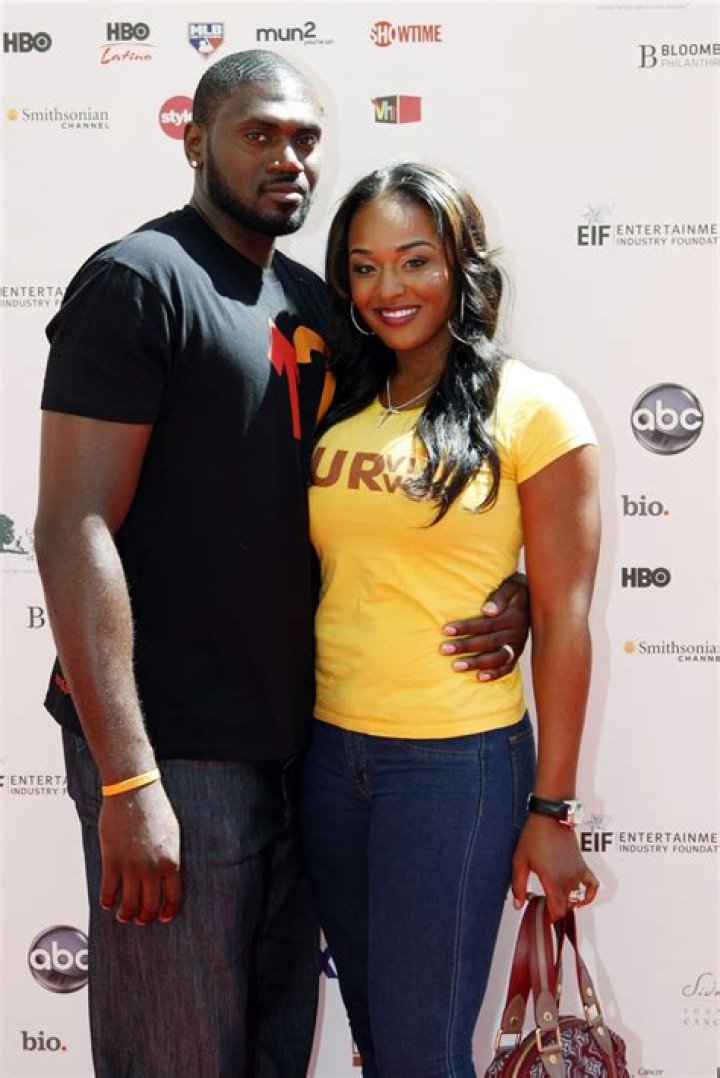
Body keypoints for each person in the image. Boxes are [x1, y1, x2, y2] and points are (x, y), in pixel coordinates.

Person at [33, 53, 530, 1077]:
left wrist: (513, 585)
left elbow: (391, 485)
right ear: (194, 140)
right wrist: (128, 777)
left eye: (304, 138)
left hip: (301, 754)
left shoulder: (314, 304)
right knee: (174, 1057)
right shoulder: (140, 282)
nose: (288, 157)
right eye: (259, 133)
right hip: (176, 757)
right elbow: (71, 526)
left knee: (270, 1052)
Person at [299, 162, 601, 1077]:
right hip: (326, 757)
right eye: (364, 267)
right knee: (379, 1043)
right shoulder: (337, 401)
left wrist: (552, 808)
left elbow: (566, 617)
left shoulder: (534, 408)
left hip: (453, 766)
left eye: (415, 260)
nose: (388, 288)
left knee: (422, 1054)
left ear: (460, 267)